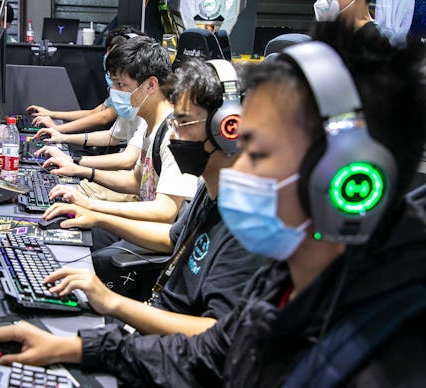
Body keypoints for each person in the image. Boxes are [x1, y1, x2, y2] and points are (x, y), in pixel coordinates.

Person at [0, 21, 426, 386]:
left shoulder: (391, 361)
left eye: (261, 154)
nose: (242, 170)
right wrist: (78, 349)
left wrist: (110, 308)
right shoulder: (292, 277)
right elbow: (211, 353)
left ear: (347, 182)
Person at [35, 58, 266, 336]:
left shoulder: (249, 224)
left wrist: (113, 302)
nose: (172, 134)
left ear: (228, 128)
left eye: (182, 121)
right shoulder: (210, 190)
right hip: (155, 324)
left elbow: (218, 332)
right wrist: (98, 218)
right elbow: (171, 239)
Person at [45, 37, 197, 246]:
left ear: (151, 85)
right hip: (141, 225)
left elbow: (165, 211)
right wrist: (84, 172)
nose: (114, 92)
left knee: (65, 234)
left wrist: (91, 206)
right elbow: (136, 182)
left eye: (121, 85)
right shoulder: (149, 124)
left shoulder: (175, 133)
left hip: (157, 239)